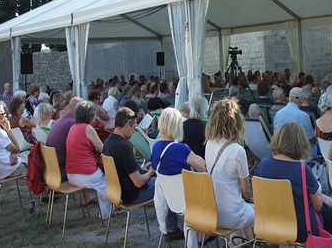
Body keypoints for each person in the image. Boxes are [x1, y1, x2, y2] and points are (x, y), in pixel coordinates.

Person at [256, 122, 332, 243]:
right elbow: (318, 206)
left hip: (269, 225)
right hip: (300, 231)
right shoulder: (302, 169)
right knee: (327, 212)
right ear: (300, 143)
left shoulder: (263, 164)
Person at [151, 107, 206, 242]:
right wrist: (200, 158)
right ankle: (205, 234)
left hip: (171, 201)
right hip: (190, 202)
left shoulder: (156, 147)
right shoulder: (181, 149)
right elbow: (203, 168)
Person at [205, 99, 254, 241]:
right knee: (260, 211)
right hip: (232, 214)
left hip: (213, 213)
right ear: (236, 121)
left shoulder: (209, 143)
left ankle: (238, 243)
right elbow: (246, 192)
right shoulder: (238, 150)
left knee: (244, 209)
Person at [65, 101, 111, 217]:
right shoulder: (88, 128)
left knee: (102, 177)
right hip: (85, 174)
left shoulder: (72, 128)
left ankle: (107, 210)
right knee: (107, 179)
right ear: (90, 116)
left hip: (71, 174)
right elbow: (103, 149)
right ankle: (106, 213)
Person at [103, 107, 156, 204]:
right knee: (165, 183)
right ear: (128, 125)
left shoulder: (107, 142)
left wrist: (142, 168)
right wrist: (151, 171)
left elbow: (124, 169)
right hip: (133, 195)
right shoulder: (123, 147)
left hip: (118, 192)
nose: (133, 131)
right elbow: (139, 182)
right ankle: (169, 219)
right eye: (134, 128)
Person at [46, 97, 83, 181]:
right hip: (62, 172)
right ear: (79, 110)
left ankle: (85, 194)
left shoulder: (59, 121)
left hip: (50, 171)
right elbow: (80, 150)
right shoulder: (73, 124)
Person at [274, 87, 317, 158]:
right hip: (299, 155)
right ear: (301, 100)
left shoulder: (278, 114)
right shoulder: (303, 115)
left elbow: (276, 135)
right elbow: (311, 139)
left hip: (281, 153)